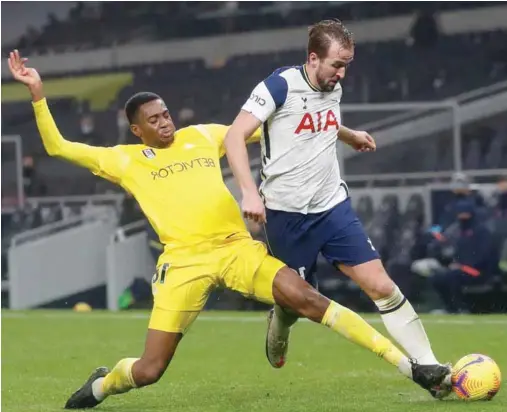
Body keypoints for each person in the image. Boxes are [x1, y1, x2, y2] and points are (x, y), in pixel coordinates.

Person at [8, 49, 450, 409]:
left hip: (237, 249)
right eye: (156, 120)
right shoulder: (122, 160)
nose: (166, 123)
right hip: (183, 264)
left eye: (166, 114)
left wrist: (346, 133)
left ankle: (411, 367)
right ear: (136, 128)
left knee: (308, 297)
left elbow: (282, 122)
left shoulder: (202, 135)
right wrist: (38, 94)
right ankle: (103, 385)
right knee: (149, 370)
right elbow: (57, 146)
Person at [223, 19, 451, 395]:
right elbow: (234, 136)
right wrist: (248, 192)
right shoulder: (278, 86)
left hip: (332, 207)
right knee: (296, 303)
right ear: (313, 59)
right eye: (337, 65)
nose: (342, 73)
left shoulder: (333, 85)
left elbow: (320, 120)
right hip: (287, 214)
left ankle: (431, 369)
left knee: (381, 286)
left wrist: (348, 134)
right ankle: (279, 322)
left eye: (347, 65)